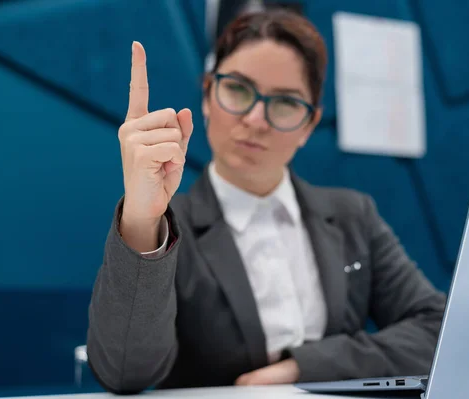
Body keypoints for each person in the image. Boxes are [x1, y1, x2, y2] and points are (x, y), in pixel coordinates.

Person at [86, 9, 446, 395]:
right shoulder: (171, 229)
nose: (256, 119)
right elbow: (124, 374)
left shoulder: (352, 216)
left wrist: (303, 368)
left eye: (286, 103)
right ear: (207, 95)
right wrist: (141, 220)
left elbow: (437, 328)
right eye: (238, 89)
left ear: (309, 125)